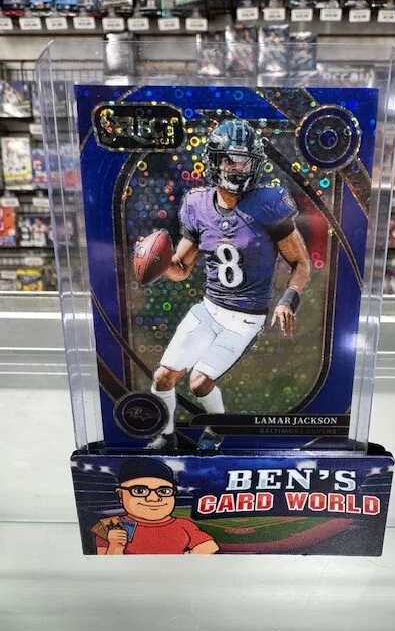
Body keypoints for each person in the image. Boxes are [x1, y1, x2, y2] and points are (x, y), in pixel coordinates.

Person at [146, 118, 311, 452]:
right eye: (229, 160)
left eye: (243, 160)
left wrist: (287, 300)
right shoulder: (197, 204)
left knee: (199, 382)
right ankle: (165, 435)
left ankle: (217, 428)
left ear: (255, 163)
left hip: (246, 317)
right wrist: (157, 263)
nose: (236, 167)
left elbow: (301, 263)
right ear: (215, 161)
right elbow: (181, 270)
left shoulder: (268, 202)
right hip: (209, 309)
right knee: (162, 377)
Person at [93, 459, 218, 555]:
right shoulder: (111, 525)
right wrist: (115, 546)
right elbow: (105, 565)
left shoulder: (183, 525)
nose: (153, 498)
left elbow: (210, 546)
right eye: (140, 491)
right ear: (121, 494)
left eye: (163, 491)